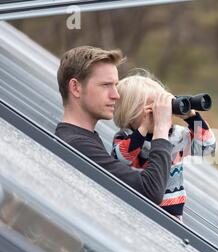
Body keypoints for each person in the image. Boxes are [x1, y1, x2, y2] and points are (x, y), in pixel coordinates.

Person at [54, 46, 174, 206]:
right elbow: (151, 191)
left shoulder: (82, 138)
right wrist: (161, 128)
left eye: (115, 85)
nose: (116, 95)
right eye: (105, 85)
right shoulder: (78, 145)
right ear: (76, 87)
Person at [111, 72, 216, 221]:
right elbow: (121, 158)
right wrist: (144, 128)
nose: (162, 112)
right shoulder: (125, 136)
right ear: (130, 112)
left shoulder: (176, 135)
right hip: (135, 210)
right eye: (155, 108)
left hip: (173, 215)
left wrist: (192, 118)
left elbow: (208, 147)